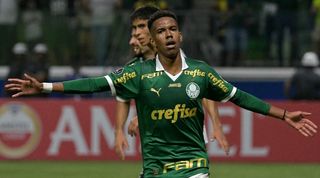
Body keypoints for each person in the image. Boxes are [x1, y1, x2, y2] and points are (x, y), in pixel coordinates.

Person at [5, 10, 318, 178]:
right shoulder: (138, 74)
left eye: (172, 29)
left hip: (194, 167)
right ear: (153, 39)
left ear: (180, 35)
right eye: (160, 31)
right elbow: (95, 84)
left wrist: (283, 115)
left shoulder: (200, 72)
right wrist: (45, 87)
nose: (168, 35)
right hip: (155, 170)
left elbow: (240, 96)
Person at [117, 7, 229, 178]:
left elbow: (200, 89)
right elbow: (123, 98)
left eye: (141, 27)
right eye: (134, 29)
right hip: (157, 139)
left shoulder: (175, 57)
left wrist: (217, 123)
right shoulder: (137, 64)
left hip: (182, 136)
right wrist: (119, 130)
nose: (136, 35)